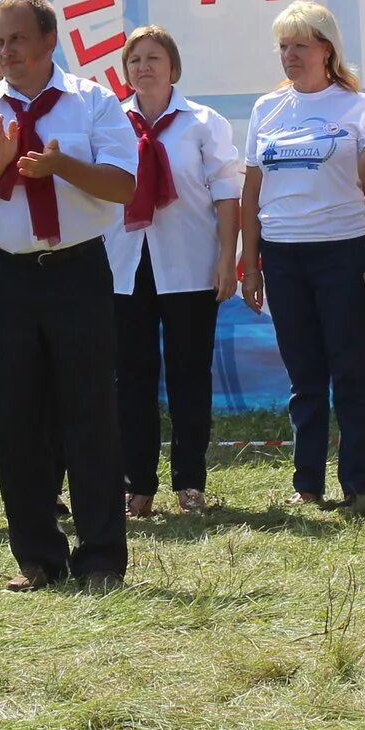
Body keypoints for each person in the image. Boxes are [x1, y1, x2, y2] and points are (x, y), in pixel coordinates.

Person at [0, 0, 140, 590]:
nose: (5, 51)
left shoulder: (94, 102)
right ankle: (37, 558)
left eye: (17, 39)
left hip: (78, 270)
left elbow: (124, 186)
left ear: (50, 41)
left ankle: (101, 556)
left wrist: (60, 167)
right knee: (15, 416)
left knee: (91, 412)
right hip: (6, 275)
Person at [240, 1, 365, 510]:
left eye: (300, 45)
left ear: (326, 50)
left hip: (343, 253)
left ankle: (358, 483)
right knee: (304, 375)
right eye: (284, 46)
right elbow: (251, 191)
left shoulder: (357, 108)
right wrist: (251, 261)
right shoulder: (267, 109)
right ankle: (307, 485)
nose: (290, 55)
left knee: (350, 368)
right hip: (282, 256)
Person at [106, 25, 239, 516]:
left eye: (153, 57)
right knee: (132, 376)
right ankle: (137, 483)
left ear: (173, 68)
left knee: (189, 374)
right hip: (127, 267)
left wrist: (228, 256)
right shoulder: (112, 123)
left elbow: (227, 192)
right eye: (134, 59)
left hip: (189, 263)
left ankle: (190, 481)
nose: (143, 66)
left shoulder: (203, 123)